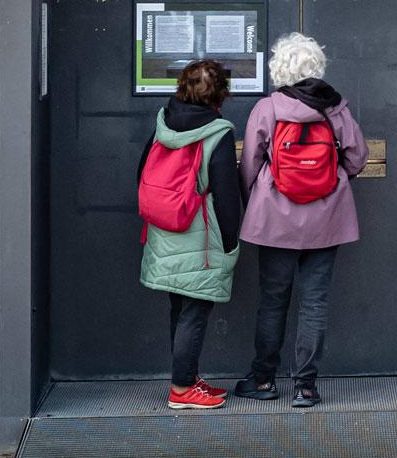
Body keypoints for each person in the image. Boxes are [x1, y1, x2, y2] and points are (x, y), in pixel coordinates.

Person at [234, 33, 369, 408]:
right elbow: (357, 159)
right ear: (317, 66)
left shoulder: (268, 107)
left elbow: (250, 165)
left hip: (275, 220)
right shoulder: (335, 108)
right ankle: (305, 387)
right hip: (327, 219)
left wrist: (257, 202)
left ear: (280, 68)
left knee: (273, 300)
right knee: (315, 301)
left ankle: (263, 380)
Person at [136, 59, 244, 410]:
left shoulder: (163, 121)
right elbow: (227, 196)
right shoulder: (218, 132)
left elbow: (142, 170)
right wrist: (231, 244)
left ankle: (186, 377)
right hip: (200, 239)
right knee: (195, 312)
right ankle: (182, 389)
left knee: (180, 308)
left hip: (164, 231)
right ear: (220, 95)